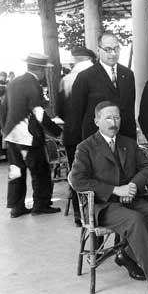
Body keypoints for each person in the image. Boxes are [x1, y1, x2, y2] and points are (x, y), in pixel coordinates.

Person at [69, 101, 148, 294]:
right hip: (104, 205)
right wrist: (115, 190)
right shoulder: (86, 147)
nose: (113, 122)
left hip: (132, 198)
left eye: (116, 117)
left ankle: (126, 253)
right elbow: (77, 180)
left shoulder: (128, 143)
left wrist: (132, 185)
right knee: (135, 221)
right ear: (97, 120)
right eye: (108, 118)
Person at [1, 53, 62, 218]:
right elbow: (39, 113)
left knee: (16, 171)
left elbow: (3, 108)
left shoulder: (13, 83)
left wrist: (4, 130)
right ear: (41, 70)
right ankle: (40, 205)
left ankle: (16, 207)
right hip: (28, 137)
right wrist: (58, 133)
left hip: (12, 135)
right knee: (40, 171)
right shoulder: (33, 85)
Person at [70, 32, 136, 144]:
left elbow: (129, 108)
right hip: (97, 142)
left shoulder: (128, 74)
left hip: (126, 139)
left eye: (116, 49)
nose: (113, 53)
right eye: (108, 49)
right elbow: (77, 114)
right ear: (98, 50)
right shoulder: (85, 77)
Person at [56, 46, 96, 226]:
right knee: (97, 173)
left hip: (72, 135)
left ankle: (80, 214)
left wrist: (72, 123)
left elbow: (59, 111)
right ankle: (97, 211)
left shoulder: (66, 80)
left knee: (76, 174)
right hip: (92, 136)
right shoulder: (95, 78)